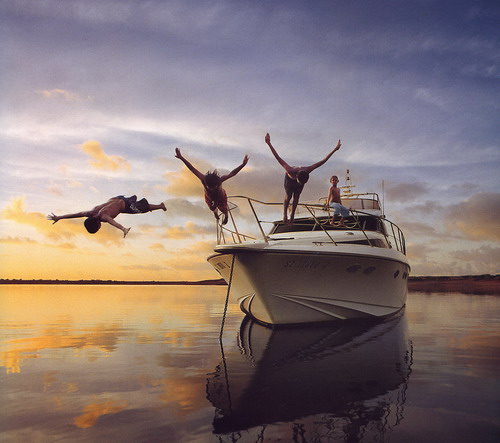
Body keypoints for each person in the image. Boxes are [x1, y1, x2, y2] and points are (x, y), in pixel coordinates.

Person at [265, 133, 342, 224]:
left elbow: (323, 161)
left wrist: (335, 149)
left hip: (298, 181)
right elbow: (278, 157)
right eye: (301, 183)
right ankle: (285, 214)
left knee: (297, 196)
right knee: (288, 196)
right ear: (297, 176)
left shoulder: (308, 169)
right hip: (289, 181)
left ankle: (292, 214)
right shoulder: (290, 170)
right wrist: (269, 143)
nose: (302, 185)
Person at [175, 148, 248, 225]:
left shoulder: (220, 180)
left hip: (220, 196)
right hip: (209, 197)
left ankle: (226, 216)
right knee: (212, 208)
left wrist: (242, 165)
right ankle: (215, 212)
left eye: (213, 187)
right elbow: (192, 169)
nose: (212, 189)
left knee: (224, 209)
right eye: (210, 187)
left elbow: (232, 173)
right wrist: (181, 157)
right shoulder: (203, 179)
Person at [47, 195, 166, 237]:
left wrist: (123, 229)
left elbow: (112, 222)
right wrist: (60, 217)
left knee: (141, 209)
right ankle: (160, 206)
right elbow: (76, 214)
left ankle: (160, 206)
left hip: (125, 205)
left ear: (97, 224)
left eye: (98, 228)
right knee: (139, 207)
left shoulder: (103, 217)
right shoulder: (91, 213)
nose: (100, 228)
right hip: (117, 198)